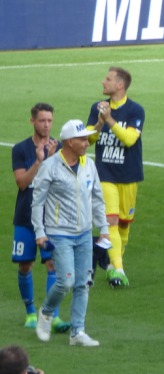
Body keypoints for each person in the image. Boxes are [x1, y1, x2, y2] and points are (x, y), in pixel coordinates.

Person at [32, 120, 109, 346]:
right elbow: (37, 202)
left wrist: (103, 229)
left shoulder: (89, 164)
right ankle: (46, 312)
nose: (87, 142)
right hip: (59, 234)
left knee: (83, 283)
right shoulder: (50, 166)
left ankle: (77, 332)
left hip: (84, 233)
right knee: (66, 282)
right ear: (69, 142)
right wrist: (40, 232)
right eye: (82, 139)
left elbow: (97, 198)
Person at [11, 103, 71, 333]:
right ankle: (30, 313)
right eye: (42, 120)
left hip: (51, 219)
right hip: (26, 217)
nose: (46, 125)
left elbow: (64, 184)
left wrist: (53, 160)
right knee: (25, 265)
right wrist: (39, 161)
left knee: (53, 265)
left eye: (50, 121)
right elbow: (22, 183)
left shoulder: (61, 149)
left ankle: (52, 316)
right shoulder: (20, 150)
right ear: (32, 121)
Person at [87, 67, 145, 288]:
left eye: (108, 79)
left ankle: (113, 264)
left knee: (124, 226)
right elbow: (88, 140)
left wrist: (109, 120)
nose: (104, 82)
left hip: (129, 175)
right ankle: (119, 270)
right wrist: (99, 123)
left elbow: (129, 139)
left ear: (120, 85)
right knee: (110, 220)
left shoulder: (135, 110)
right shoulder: (98, 108)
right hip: (105, 174)